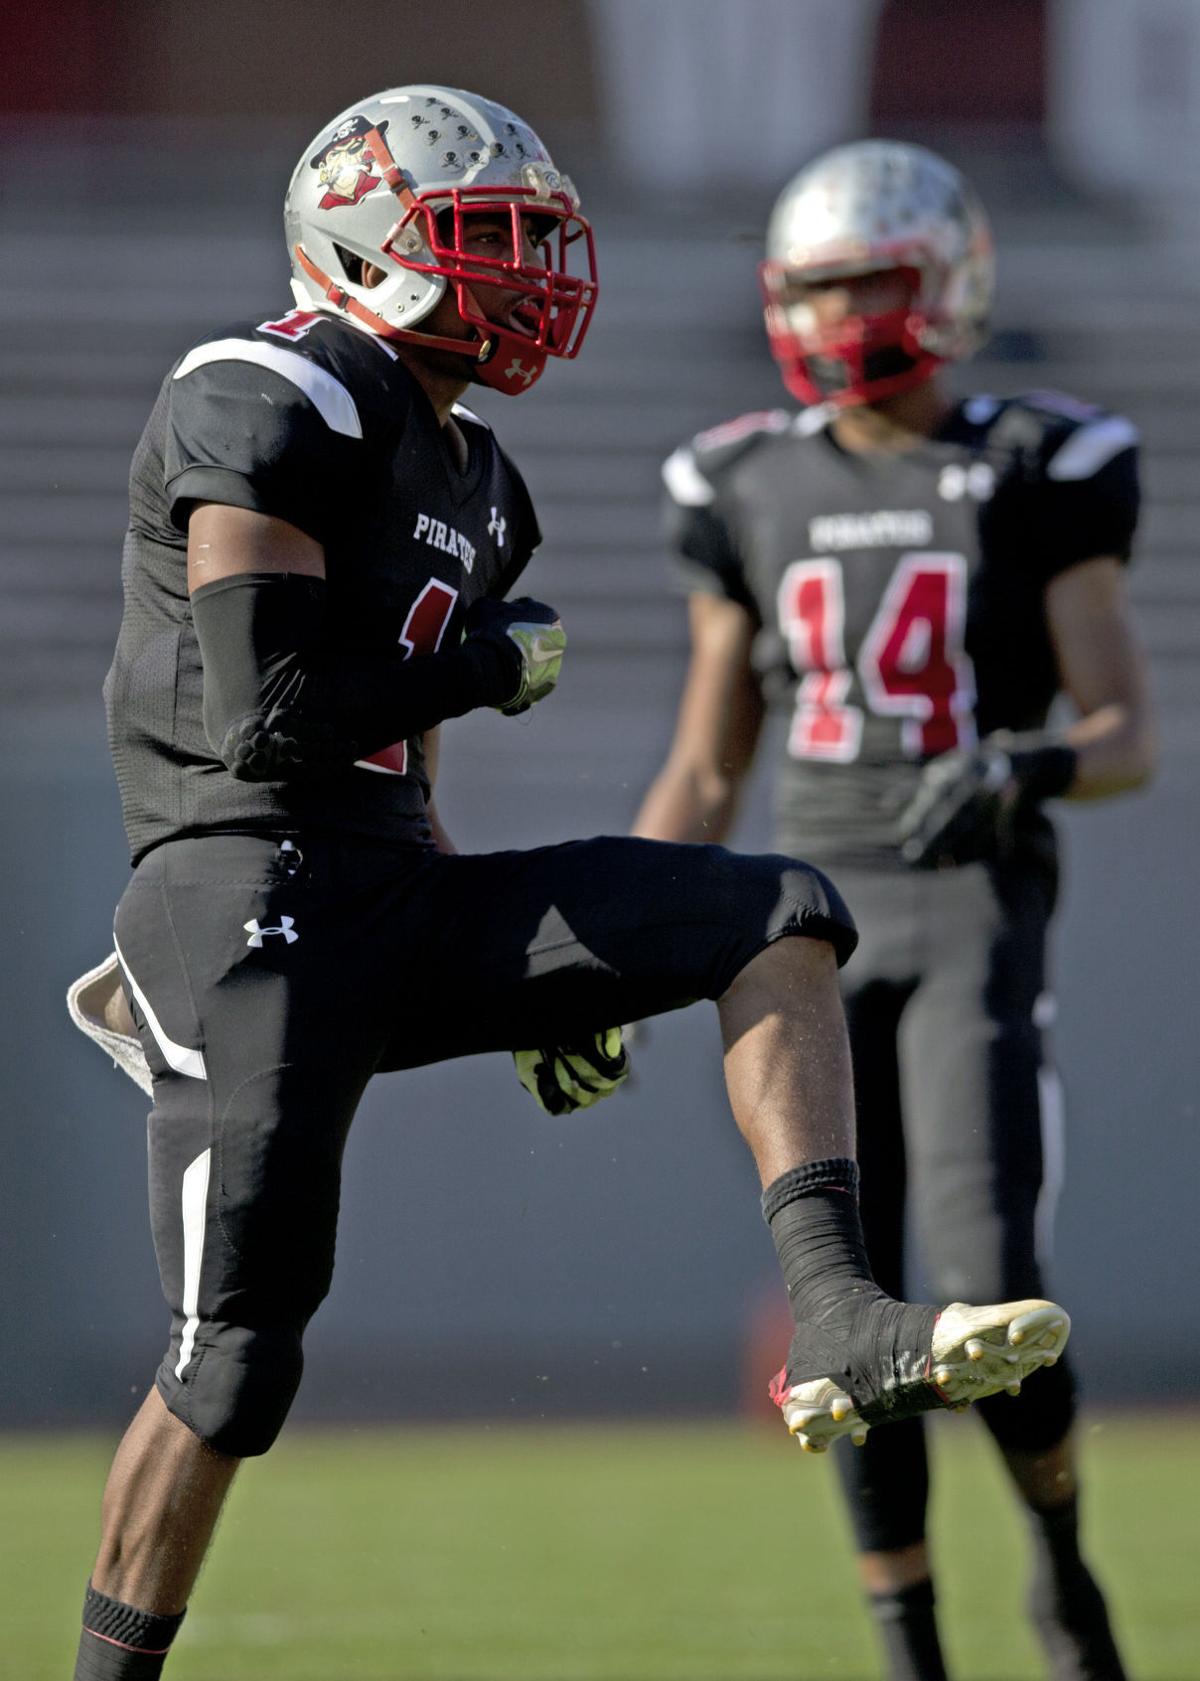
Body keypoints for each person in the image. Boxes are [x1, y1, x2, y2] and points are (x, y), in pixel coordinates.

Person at [66, 98, 1069, 1681]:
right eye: (493, 240)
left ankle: (837, 1311)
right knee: (234, 1363)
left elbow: (408, 788)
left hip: (386, 893)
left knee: (776, 910)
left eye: (535, 239)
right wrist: (475, 661)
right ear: (369, 242)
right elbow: (261, 712)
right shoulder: (265, 394)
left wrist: (537, 979)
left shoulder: (481, 476)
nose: (531, 271)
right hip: (240, 897)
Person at [635, 140, 1153, 1681]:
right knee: (850, 1306)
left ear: (945, 282)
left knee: (991, 1283)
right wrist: (609, 943)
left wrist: (1030, 757)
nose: (853, 310)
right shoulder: (741, 478)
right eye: (827, 281)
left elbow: (1126, 728)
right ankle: (910, 1644)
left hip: (971, 904)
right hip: (805, 932)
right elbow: (706, 759)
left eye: (878, 277)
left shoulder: (1034, 465)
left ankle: (1061, 1568)